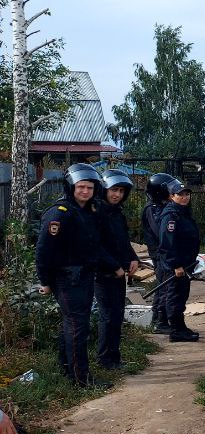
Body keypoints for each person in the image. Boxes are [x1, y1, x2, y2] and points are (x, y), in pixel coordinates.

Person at [36, 164, 121, 386]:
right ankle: (81, 378)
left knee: (72, 324)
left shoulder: (88, 212)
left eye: (90, 187)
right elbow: (44, 250)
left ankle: (67, 370)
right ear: (71, 186)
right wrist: (44, 281)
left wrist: (113, 264)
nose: (85, 191)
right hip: (66, 278)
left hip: (83, 276)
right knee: (77, 326)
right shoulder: (60, 213)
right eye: (81, 187)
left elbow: (95, 245)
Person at [94, 170, 141, 369]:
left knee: (117, 315)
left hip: (119, 273)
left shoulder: (117, 213)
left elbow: (123, 241)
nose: (117, 195)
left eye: (121, 191)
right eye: (114, 190)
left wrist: (133, 258)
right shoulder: (97, 213)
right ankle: (104, 358)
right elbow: (96, 245)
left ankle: (114, 356)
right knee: (107, 316)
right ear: (104, 189)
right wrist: (114, 266)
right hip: (103, 274)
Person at [156, 178, 201, 342]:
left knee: (181, 296)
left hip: (186, 264)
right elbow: (167, 243)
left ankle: (181, 326)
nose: (184, 197)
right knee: (175, 297)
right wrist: (176, 265)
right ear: (171, 196)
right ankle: (175, 330)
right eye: (180, 194)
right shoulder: (171, 216)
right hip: (177, 266)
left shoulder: (183, 212)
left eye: (187, 194)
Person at [142, 173, 176, 334]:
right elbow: (159, 231)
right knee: (165, 286)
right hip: (160, 254)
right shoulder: (152, 209)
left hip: (164, 253)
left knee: (164, 284)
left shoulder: (162, 206)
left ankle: (157, 317)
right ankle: (160, 321)